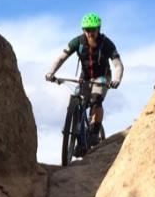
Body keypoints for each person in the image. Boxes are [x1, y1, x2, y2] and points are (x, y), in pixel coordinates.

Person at [45, 13, 123, 146]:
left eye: (92, 30)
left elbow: (118, 64)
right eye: (86, 30)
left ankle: (94, 132)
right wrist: (51, 72)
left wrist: (116, 79)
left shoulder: (107, 43)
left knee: (95, 100)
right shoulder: (78, 42)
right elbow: (61, 58)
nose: (89, 33)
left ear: (98, 29)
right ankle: (77, 138)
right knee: (79, 101)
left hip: (102, 77)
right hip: (85, 77)